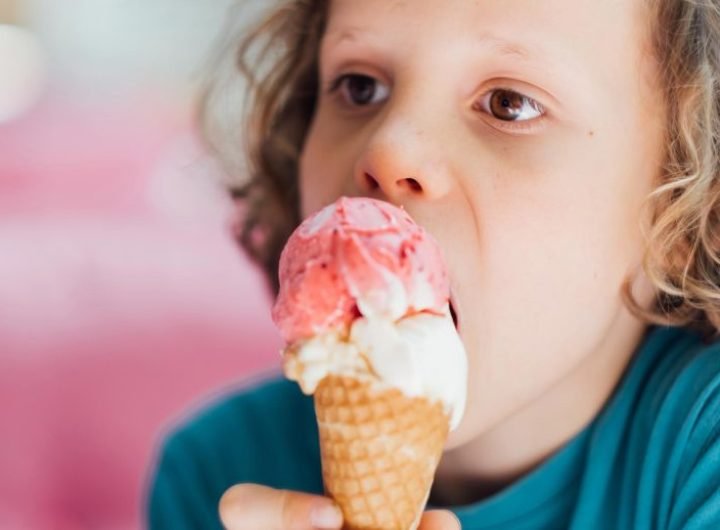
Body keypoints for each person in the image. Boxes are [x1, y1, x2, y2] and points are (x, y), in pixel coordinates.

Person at [145, 0, 720, 528]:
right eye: (360, 87)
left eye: (508, 104)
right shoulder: (217, 478)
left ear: (683, 209)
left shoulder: (703, 453)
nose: (388, 148)